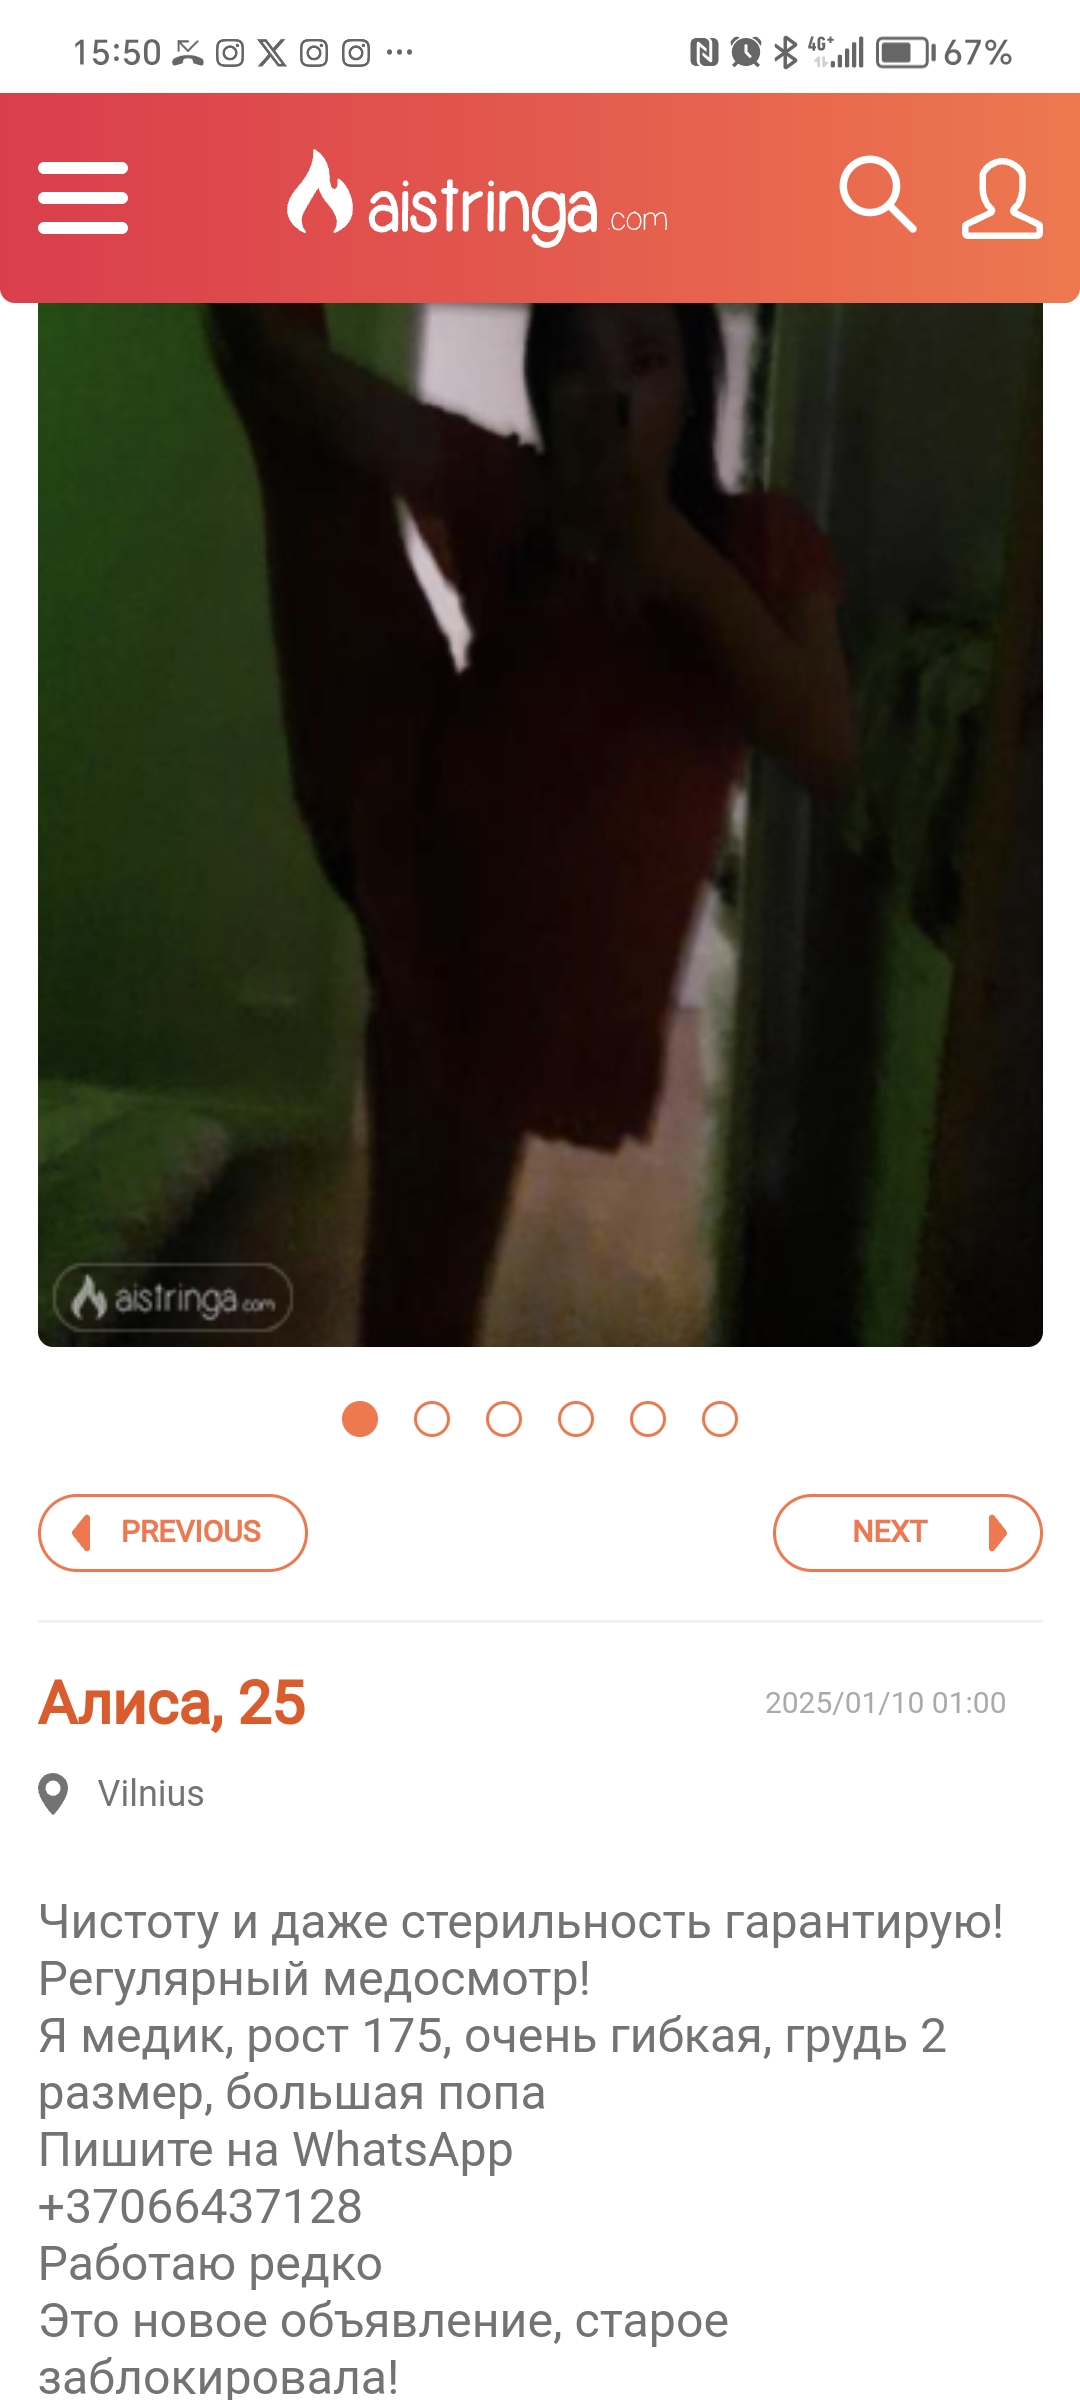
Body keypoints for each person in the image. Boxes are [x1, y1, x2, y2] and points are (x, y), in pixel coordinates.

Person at [209, 302, 853, 1344]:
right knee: (289, 421)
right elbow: (304, 388)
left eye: (644, 361)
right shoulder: (517, 492)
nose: (608, 396)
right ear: (543, 389)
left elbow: (825, 746)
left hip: (514, 977)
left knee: (422, 1301)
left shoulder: (764, 542)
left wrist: (677, 562)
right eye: (574, 365)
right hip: (402, 829)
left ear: (694, 386)